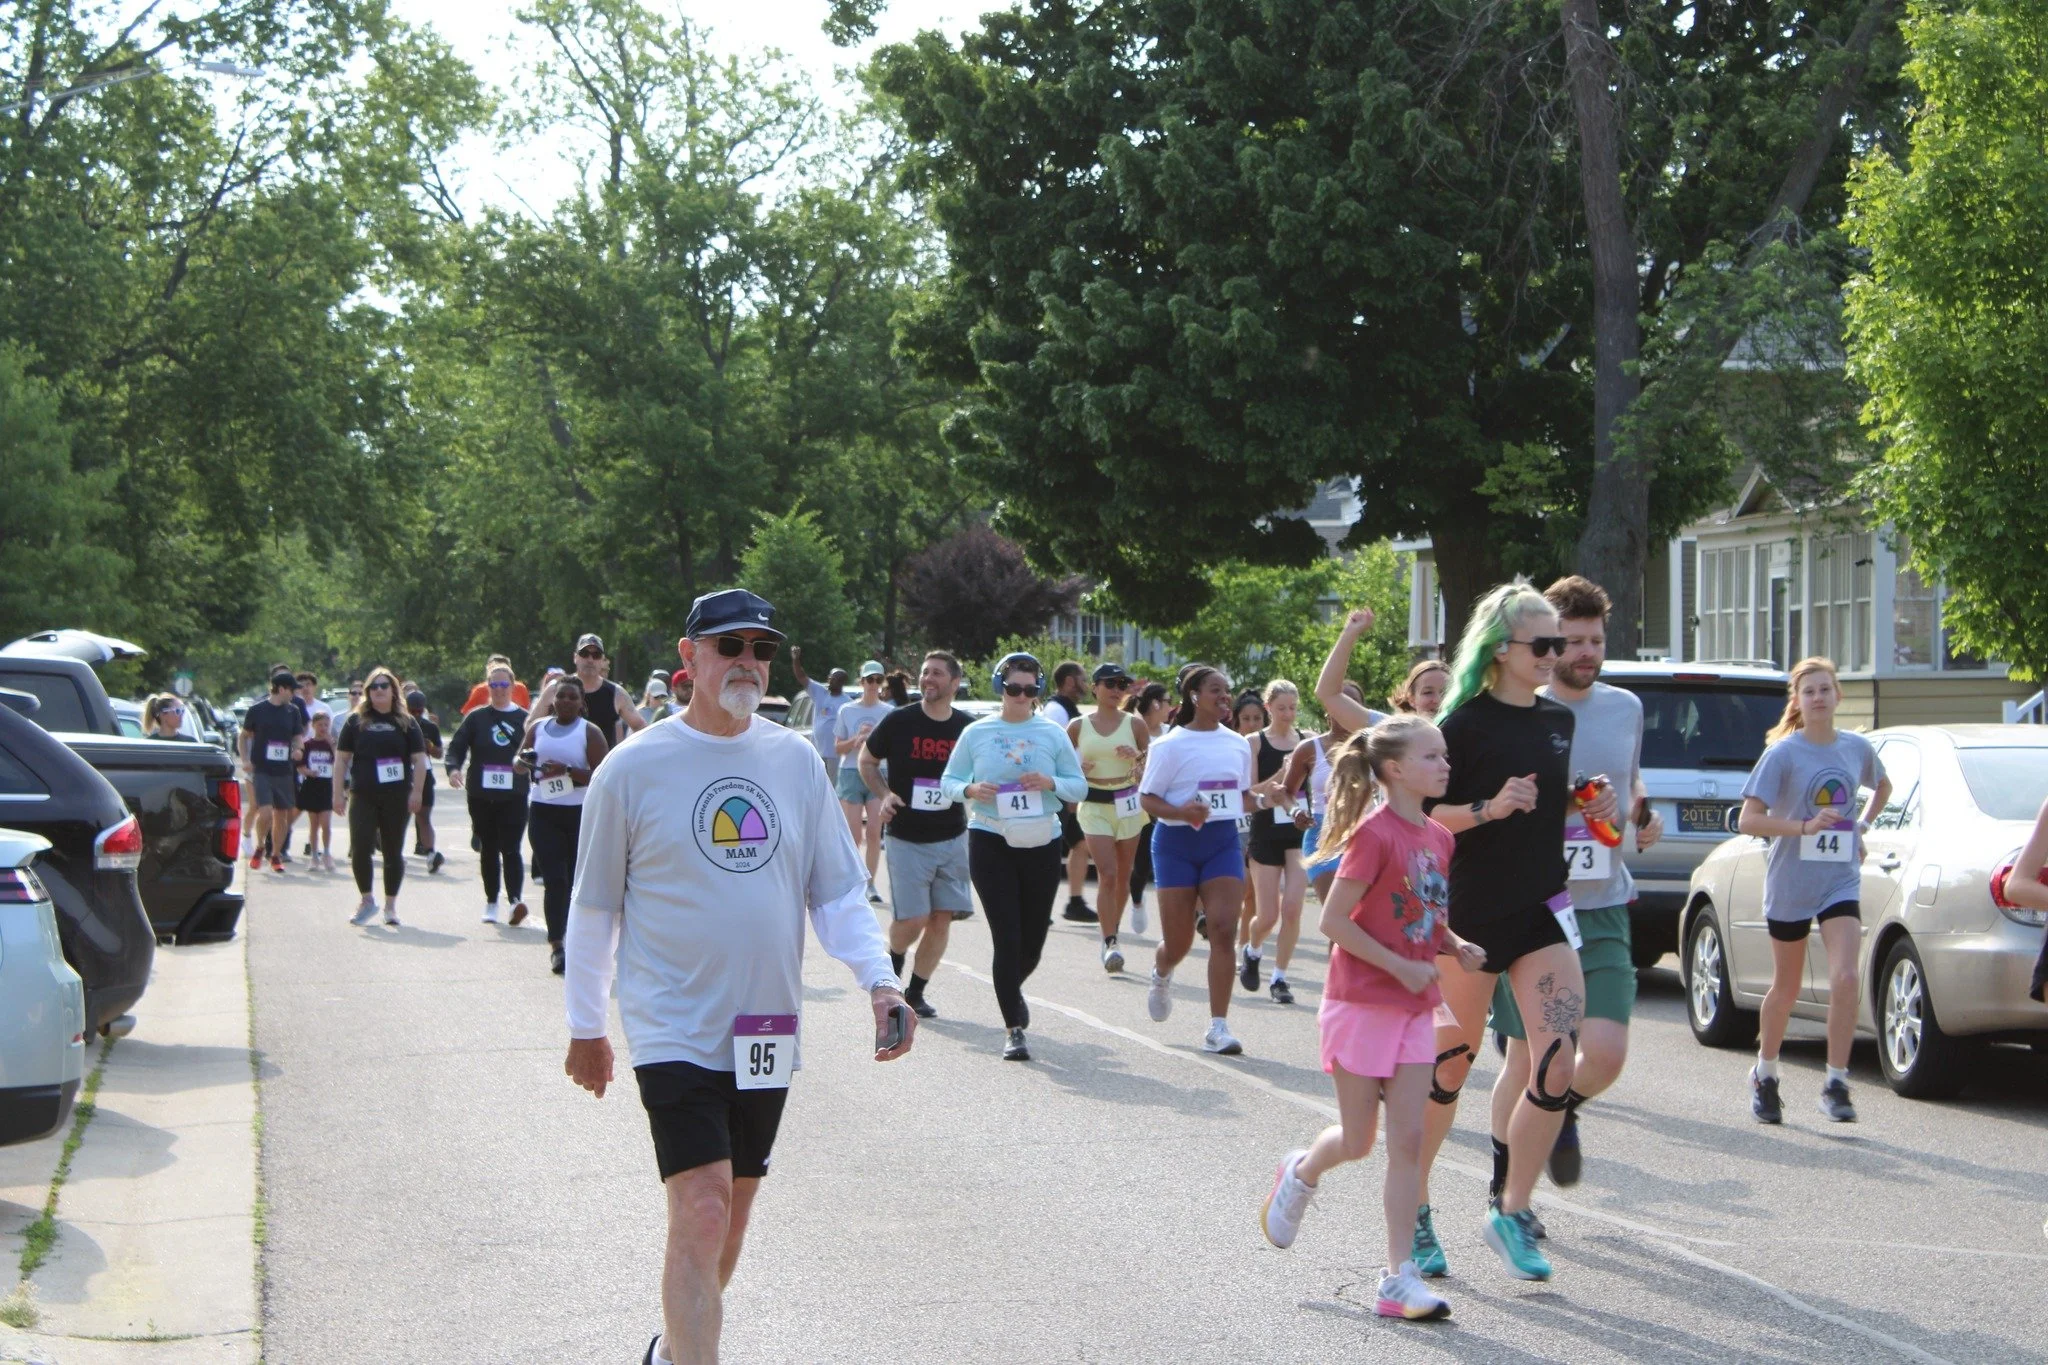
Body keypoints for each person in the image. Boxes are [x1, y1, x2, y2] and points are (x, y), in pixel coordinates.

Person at [562, 588, 913, 1365]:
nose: (747, 661)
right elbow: (593, 910)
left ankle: (673, 1349)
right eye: (730, 646)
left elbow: (838, 888)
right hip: (672, 1023)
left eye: (759, 647)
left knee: (734, 1213)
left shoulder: (792, 760)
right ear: (689, 659)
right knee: (703, 1203)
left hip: (765, 1024)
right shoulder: (633, 766)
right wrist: (586, 1024)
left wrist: (880, 981)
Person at [1406, 582, 1612, 1284]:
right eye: (1545, 644)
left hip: (1542, 908)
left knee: (1558, 1056)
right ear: (1503, 650)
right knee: (1450, 1067)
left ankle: (1511, 1207)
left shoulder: (1559, 719)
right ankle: (1416, 1206)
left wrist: (1594, 803)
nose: (1557, 655)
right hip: (1471, 913)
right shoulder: (1463, 725)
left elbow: (1553, 809)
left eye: (1562, 642)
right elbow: (1426, 814)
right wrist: (1489, 808)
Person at [1260, 716, 1487, 1321]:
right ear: (1394, 769)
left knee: (1408, 1140)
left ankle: (1397, 1278)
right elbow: (1335, 922)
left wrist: (1452, 945)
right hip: (1360, 1002)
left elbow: (1421, 911)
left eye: (1445, 755)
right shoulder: (1374, 834)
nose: (1446, 765)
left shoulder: (1438, 836)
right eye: (1433, 757)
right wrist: (1399, 965)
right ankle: (1302, 1171)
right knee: (1359, 1140)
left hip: (1414, 1005)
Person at [1485, 576, 1664, 1192]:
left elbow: (1630, 781)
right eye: (1573, 641)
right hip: (1535, 907)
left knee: (1606, 1055)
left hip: (1604, 902)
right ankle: (1507, 1191)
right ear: (1549, 645)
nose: (1586, 652)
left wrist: (1643, 812)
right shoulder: (1523, 713)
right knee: (1525, 1061)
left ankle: (1558, 1107)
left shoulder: (1626, 708)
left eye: (1596, 640)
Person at [1737, 656, 1889, 1124]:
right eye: (1810, 691)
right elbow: (1749, 819)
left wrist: (1860, 827)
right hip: (1791, 883)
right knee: (1785, 987)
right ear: (1798, 702)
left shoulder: (1855, 749)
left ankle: (1836, 1082)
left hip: (1839, 880)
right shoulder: (1784, 754)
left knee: (1845, 976)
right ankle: (1765, 1074)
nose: (1819, 697)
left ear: (1838, 695)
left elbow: (1882, 786)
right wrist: (1803, 827)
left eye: (1826, 689)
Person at [939, 652, 1088, 1060]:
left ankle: (1011, 988)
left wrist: (1050, 781)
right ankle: (1013, 1026)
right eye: (1012, 688)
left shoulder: (1053, 734)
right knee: (1006, 936)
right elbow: (949, 780)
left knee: (1033, 940)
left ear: (1037, 690)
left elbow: (1079, 788)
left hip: (1041, 840)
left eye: (1028, 689)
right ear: (1000, 688)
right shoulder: (977, 732)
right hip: (990, 837)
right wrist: (970, 791)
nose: (1020, 696)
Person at [1139, 665, 1258, 1055]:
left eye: (1228, 690)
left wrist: (1273, 798)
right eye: (1215, 690)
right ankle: (1161, 971)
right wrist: (1182, 813)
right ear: (1194, 696)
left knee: (1224, 928)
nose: (1225, 697)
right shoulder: (1169, 745)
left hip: (1222, 841)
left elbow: (1240, 796)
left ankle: (1218, 1027)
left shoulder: (1237, 744)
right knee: (1179, 942)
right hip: (1175, 843)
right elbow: (1148, 799)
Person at [859, 652, 973, 1018]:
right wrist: (884, 795)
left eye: (937, 673)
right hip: (907, 836)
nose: (928, 679)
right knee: (914, 919)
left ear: (954, 683)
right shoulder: (899, 721)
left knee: (942, 918)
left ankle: (916, 992)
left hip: (952, 837)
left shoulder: (968, 730)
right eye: (925, 672)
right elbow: (867, 760)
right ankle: (892, 964)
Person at [1066, 663, 1151, 973]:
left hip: (1127, 803)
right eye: (1110, 684)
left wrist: (1138, 758)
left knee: (1124, 874)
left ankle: (1110, 929)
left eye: (1122, 684)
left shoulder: (1136, 725)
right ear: (1095, 687)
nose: (1116, 690)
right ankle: (1110, 939)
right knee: (1108, 873)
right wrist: (1076, 772)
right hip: (1094, 804)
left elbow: (1152, 767)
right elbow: (1061, 763)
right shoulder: (1077, 726)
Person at [524, 676, 611, 974]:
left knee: (577, 882)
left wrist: (568, 771)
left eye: (573, 697)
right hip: (543, 812)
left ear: (581, 703)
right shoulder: (538, 729)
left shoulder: (590, 732)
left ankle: (579, 941)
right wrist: (526, 762)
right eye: (561, 696)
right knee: (554, 880)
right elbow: (518, 761)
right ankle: (557, 945)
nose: (565, 702)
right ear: (552, 700)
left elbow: (603, 775)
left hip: (579, 814)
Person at [335, 667, 427, 927]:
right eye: (373, 687)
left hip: (396, 796)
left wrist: (417, 791)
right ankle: (366, 899)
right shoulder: (356, 721)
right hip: (363, 793)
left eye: (383, 686)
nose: (378, 691)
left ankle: (390, 906)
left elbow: (419, 760)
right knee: (361, 847)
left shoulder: (406, 722)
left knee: (392, 850)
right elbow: (341, 759)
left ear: (393, 690)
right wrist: (338, 794)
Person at [1241, 680, 1314, 1004]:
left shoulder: (1307, 742)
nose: (1287, 714)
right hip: (1265, 830)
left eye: (1293, 708)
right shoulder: (1254, 743)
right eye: (1281, 708)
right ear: (1268, 708)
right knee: (1267, 915)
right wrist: (1282, 776)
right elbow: (1249, 791)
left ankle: (1280, 977)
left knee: (1293, 908)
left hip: (1299, 830)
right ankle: (1252, 949)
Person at [446, 664, 532, 926]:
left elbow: (536, 751)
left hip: (514, 795)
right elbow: (457, 747)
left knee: (511, 847)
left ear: (513, 686)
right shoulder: (476, 718)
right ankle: (491, 900)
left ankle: (515, 900)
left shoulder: (525, 719)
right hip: (481, 794)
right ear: (487, 687)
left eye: (503, 685)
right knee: (489, 848)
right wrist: (453, 769)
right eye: (493, 685)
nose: (499, 690)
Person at [832, 661, 894, 903]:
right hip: (850, 772)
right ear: (861, 682)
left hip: (878, 772)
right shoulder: (847, 710)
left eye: (878, 680)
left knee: (874, 832)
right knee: (854, 834)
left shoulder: (888, 712)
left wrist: (874, 742)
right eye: (869, 680)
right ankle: (851, 881)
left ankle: (870, 885)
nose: (873, 685)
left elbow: (893, 747)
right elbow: (838, 747)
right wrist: (857, 739)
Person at [1042, 661, 1098, 926]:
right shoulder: (1056, 710)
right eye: (1082, 679)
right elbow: (1052, 751)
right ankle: (1038, 904)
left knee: (1079, 844)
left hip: (1067, 789)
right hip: (1059, 791)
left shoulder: (1067, 709)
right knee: (1049, 849)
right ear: (1068, 681)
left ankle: (1075, 901)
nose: (1085, 685)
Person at [240, 671, 306, 874]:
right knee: (265, 812)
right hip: (262, 769)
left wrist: (298, 750)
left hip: (284, 770)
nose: (294, 694)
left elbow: (298, 737)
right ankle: (261, 845)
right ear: (282, 689)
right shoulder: (257, 710)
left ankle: (275, 854)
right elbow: (243, 737)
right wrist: (245, 760)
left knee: (282, 815)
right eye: (292, 690)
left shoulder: (293, 711)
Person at [536, 634, 646, 748]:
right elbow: (531, 724)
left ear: (602, 660)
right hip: (560, 762)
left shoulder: (616, 694)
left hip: (600, 764)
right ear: (575, 657)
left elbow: (640, 727)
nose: (590, 660)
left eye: (596, 655)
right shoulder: (555, 689)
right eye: (584, 654)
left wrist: (625, 752)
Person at [1123, 681, 1171, 931]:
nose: (1171, 707)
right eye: (1168, 701)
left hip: (1165, 804)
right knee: (1138, 864)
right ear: (1155, 704)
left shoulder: (1171, 731)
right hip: (1135, 802)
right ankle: (1137, 901)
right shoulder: (1132, 728)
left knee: (1155, 862)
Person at [789, 648, 852, 783]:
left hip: (836, 755)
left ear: (842, 682)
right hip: (817, 750)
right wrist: (796, 659)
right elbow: (801, 677)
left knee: (833, 785)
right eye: (830, 678)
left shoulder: (847, 702)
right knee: (817, 783)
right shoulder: (820, 693)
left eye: (835, 679)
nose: (831, 680)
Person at [406, 689, 446, 872]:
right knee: (398, 816)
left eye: (418, 711)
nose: (415, 714)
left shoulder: (430, 727)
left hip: (425, 773)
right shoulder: (400, 725)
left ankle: (430, 853)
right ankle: (393, 853)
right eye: (411, 710)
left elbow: (439, 753)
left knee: (424, 816)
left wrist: (429, 745)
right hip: (403, 773)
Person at [297, 711, 337, 872]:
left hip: (327, 785)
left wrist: (331, 743)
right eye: (320, 725)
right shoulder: (308, 745)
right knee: (314, 824)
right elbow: (300, 766)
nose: (323, 728)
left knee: (326, 823)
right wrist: (308, 772)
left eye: (326, 725)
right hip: (312, 785)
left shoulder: (331, 744)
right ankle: (314, 856)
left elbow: (340, 761)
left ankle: (327, 853)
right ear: (313, 726)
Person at [460, 655, 531, 715]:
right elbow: (467, 713)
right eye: (494, 668)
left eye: (503, 668)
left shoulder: (521, 688)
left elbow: (527, 711)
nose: (499, 689)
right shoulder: (479, 690)